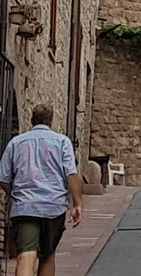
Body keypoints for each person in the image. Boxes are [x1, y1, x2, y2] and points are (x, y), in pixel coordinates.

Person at [0, 103, 82, 276]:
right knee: (48, 255)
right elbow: (71, 173)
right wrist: (77, 203)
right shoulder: (62, 142)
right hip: (53, 207)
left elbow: (3, 177)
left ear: (32, 120)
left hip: (24, 207)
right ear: (50, 121)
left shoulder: (15, 143)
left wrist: (14, 194)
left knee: (25, 256)